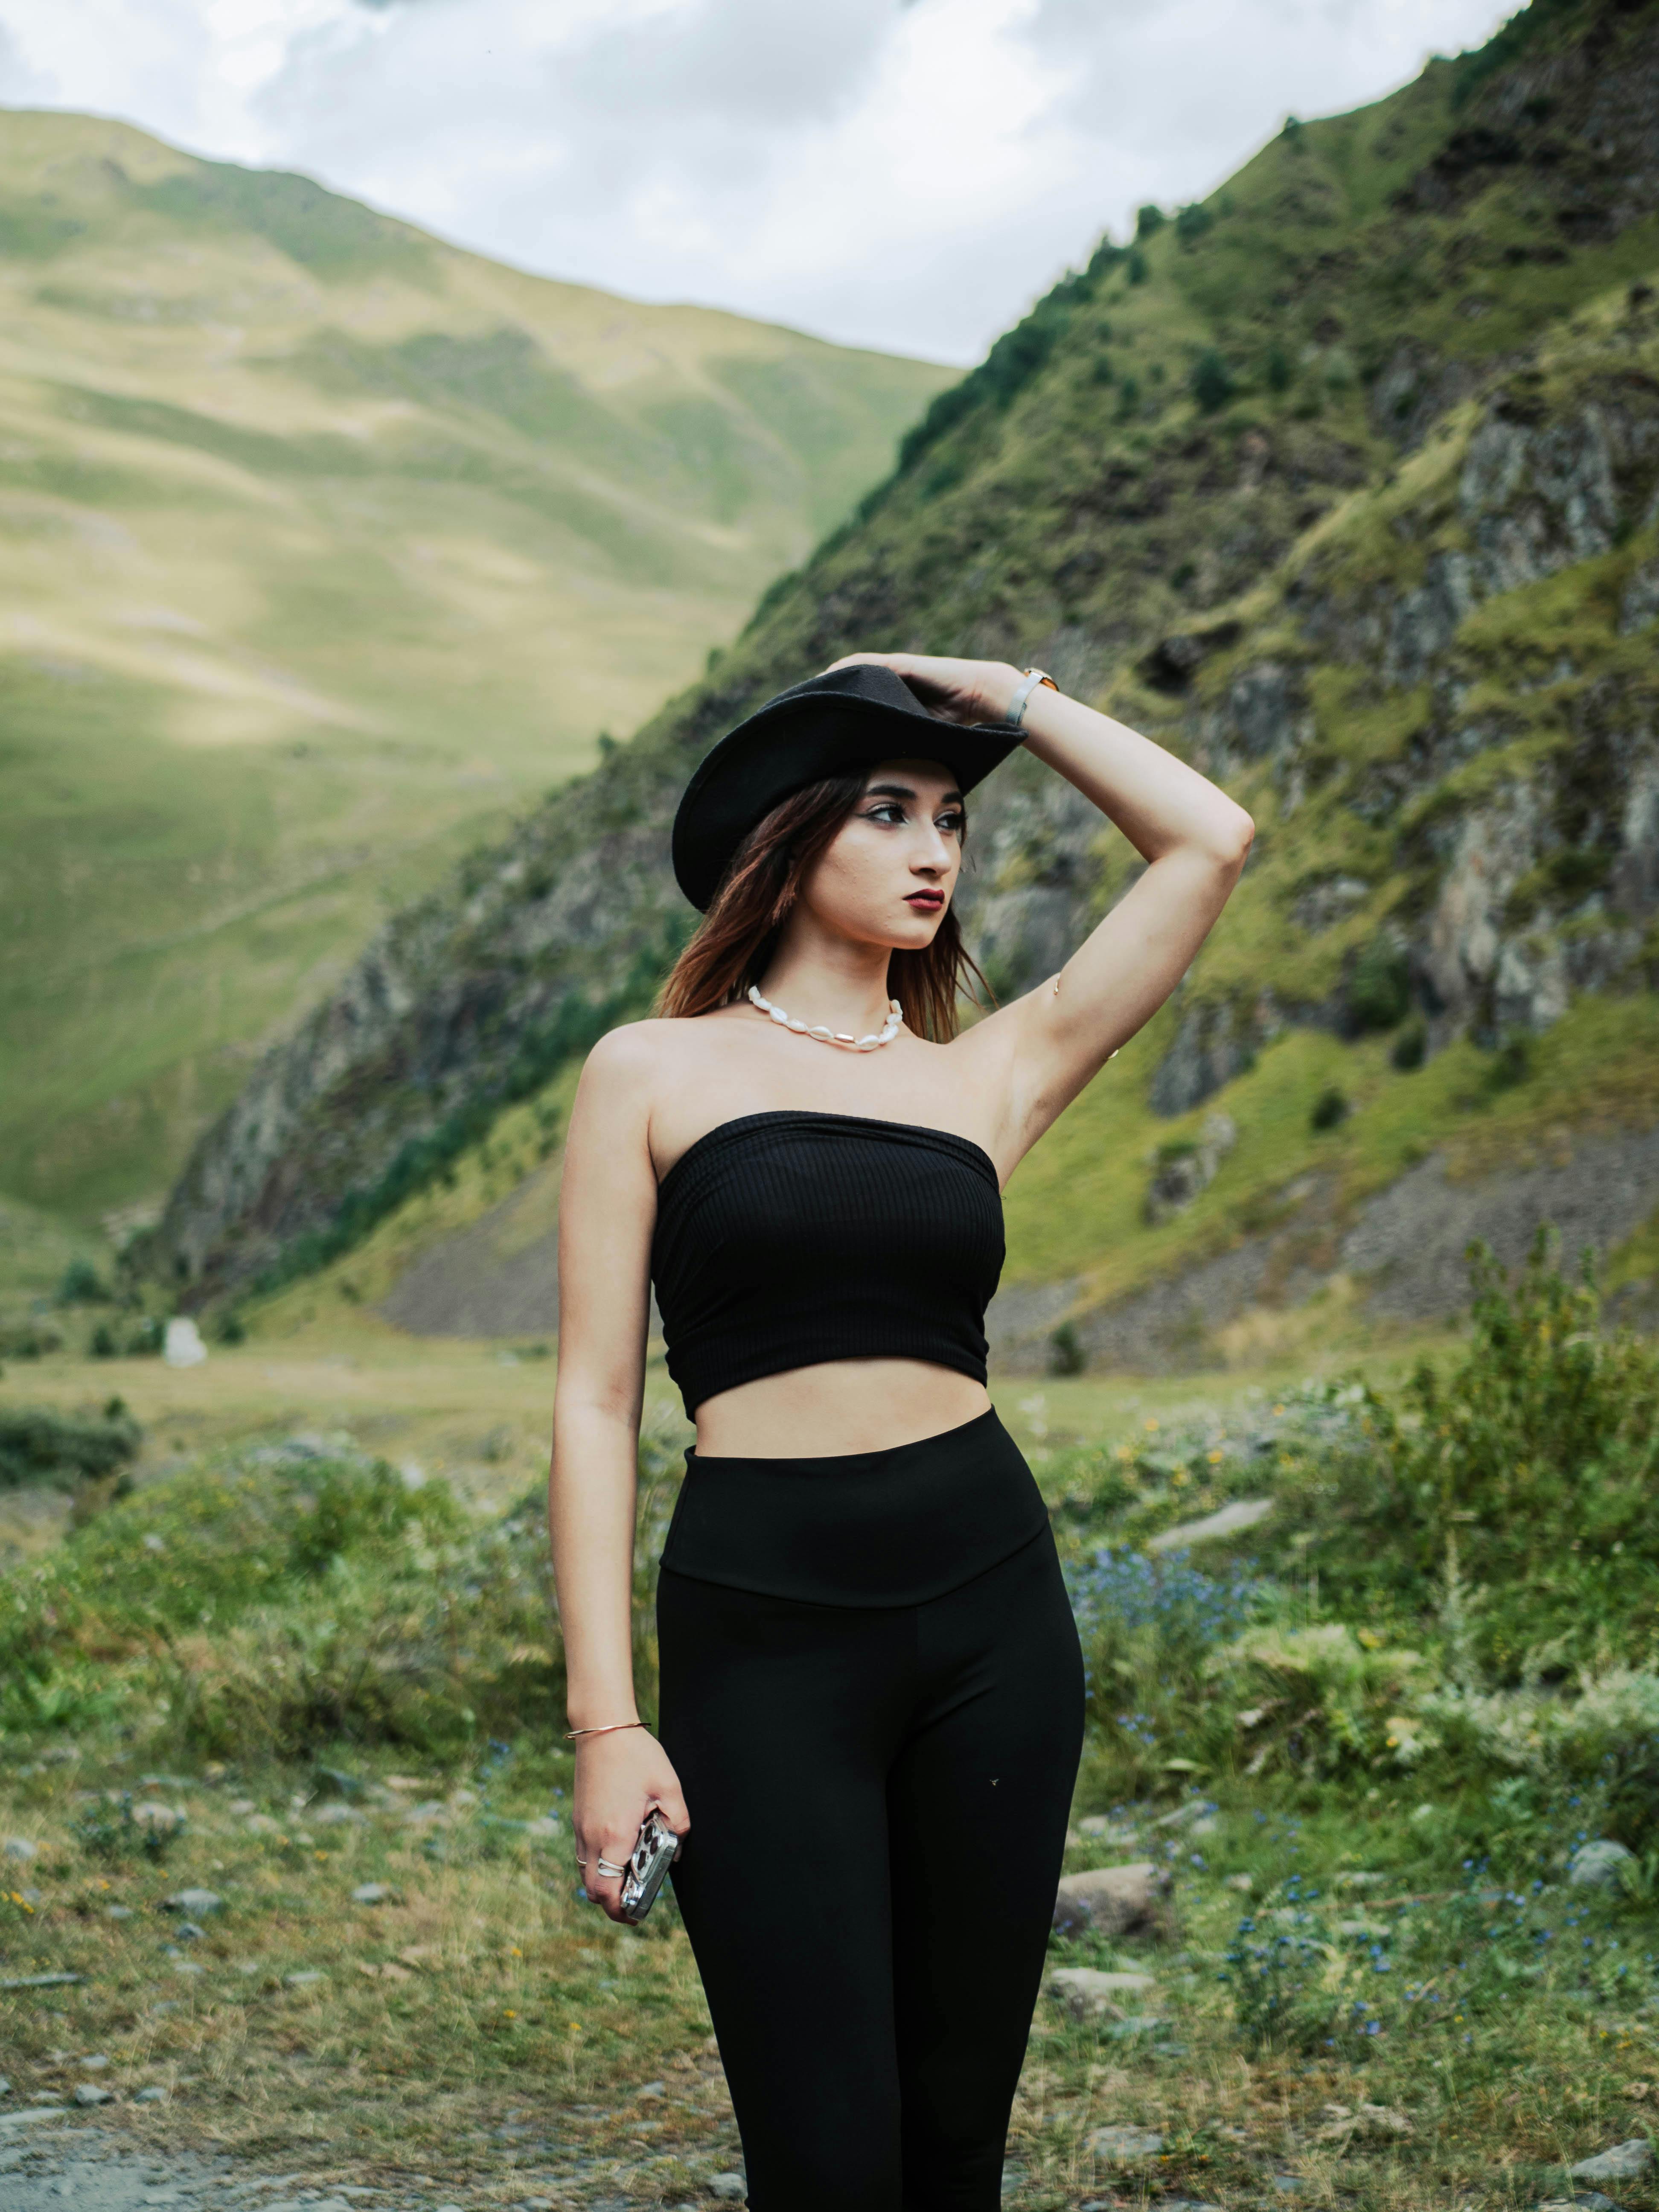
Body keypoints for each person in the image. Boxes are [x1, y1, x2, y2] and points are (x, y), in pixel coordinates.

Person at [548, 653, 1253, 2211]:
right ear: (789, 842)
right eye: (889, 811)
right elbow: (594, 1404)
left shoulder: (987, 1075)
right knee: (825, 2156)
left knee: (955, 2145)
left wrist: (1014, 699)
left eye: (951, 819)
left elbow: (1210, 840)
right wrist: (609, 1728)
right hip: (763, 1638)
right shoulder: (650, 1072)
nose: (937, 849)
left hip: (993, 1616)